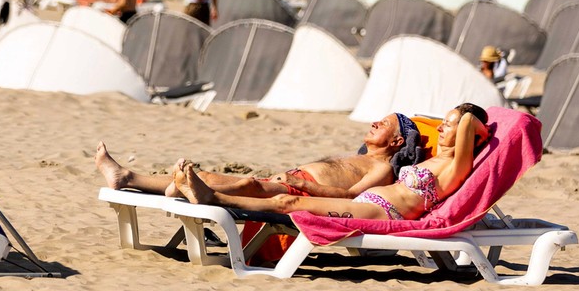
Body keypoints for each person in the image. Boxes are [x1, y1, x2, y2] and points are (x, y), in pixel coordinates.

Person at [172, 104, 491, 221]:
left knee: (287, 202)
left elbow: (471, 125)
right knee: (284, 199)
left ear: (471, 137)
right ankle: (206, 194)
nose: (440, 128)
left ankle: (213, 198)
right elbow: (464, 125)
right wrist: (457, 118)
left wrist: (468, 118)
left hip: (384, 211)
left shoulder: (455, 167)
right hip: (371, 200)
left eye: (448, 125)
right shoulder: (438, 160)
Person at [96, 113, 420, 200]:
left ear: (397, 140)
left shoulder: (383, 170)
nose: (375, 122)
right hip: (292, 182)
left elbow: (348, 196)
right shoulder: (363, 157)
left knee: (208, 178)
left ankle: (130, 178)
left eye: (384, 124)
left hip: (297, 192)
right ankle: (127, 178)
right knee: (207, 179)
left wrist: (300, 184)